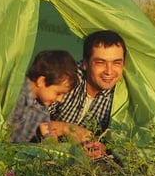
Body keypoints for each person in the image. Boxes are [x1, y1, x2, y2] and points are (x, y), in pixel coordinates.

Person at [48, 30, 126, 160]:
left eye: (116, 63)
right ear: (85, 63)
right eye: (100, 62)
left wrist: (101, 148)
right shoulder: (65, 78)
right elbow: (28, 120)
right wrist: (68, 129)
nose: (109, 71)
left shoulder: (121, 95)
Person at [8, 50, 78, 143]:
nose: (60, 100)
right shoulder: (15, 95)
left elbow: (47, 132)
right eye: (58, 93)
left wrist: (50, 139)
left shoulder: (42, 107)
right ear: (41, 81)